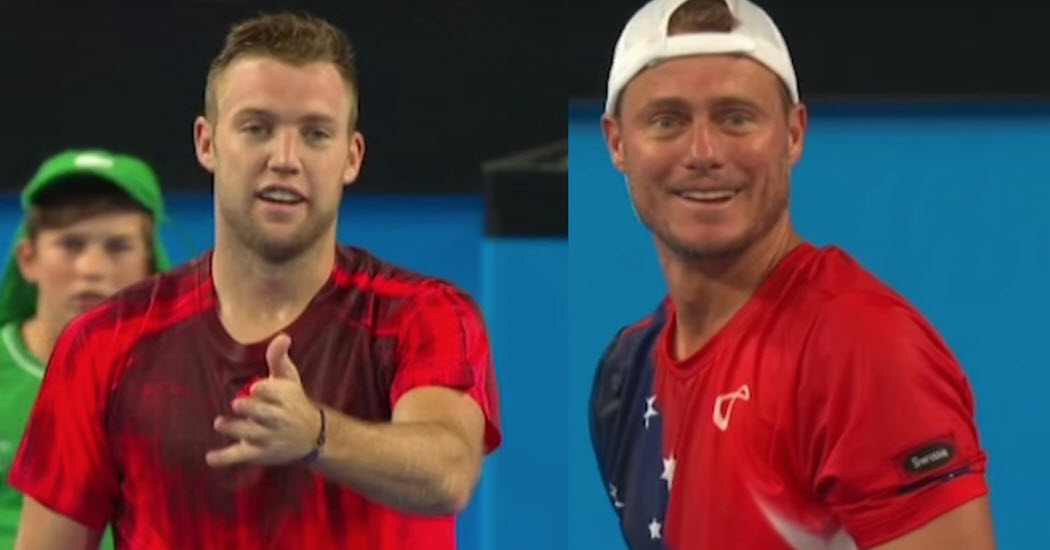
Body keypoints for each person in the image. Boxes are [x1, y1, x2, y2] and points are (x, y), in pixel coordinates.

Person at [9, 12, 500, 550]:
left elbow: (449, 473)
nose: (284, 159)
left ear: (350, 157)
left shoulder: (423, 315)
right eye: (257, 128)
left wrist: (317, 434)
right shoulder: (103, 341)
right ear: (207, 142)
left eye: (315, 134)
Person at [588, 1, 993, 549]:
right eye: (668, 121)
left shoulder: (860, 348)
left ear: (794, 134)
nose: (703, 152)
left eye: (736, 117)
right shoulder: (626, 373)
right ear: (617, 143)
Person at [0, 149, 170, 550]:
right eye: (71, 245)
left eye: (117, 247)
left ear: (150, 266)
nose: (91, 268)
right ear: (28, 259)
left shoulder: (185, 381)